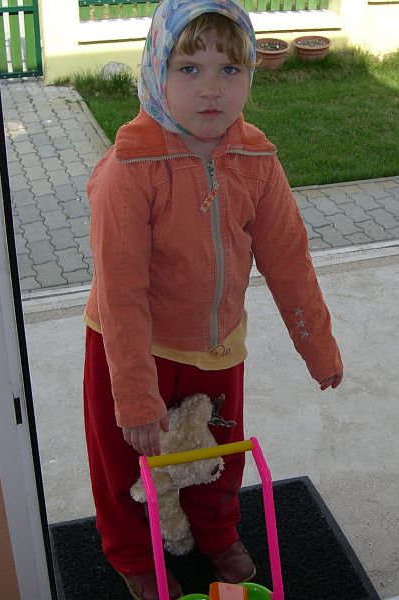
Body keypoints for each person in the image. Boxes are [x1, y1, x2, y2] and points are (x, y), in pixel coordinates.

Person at [82, 1, 343, 598]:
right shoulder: (130, 167)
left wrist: (319, 347)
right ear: (156, 70)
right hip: (132, 346)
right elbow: (121, 292)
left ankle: (217, 532)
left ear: (250, 74)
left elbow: (289, 261)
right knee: (126, 461)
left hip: (218, 345)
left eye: (230, 69)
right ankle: (134, 553)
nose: (211, 89)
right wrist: (136, 396)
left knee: (218, 454)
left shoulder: (256, 159)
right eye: (189, 68)